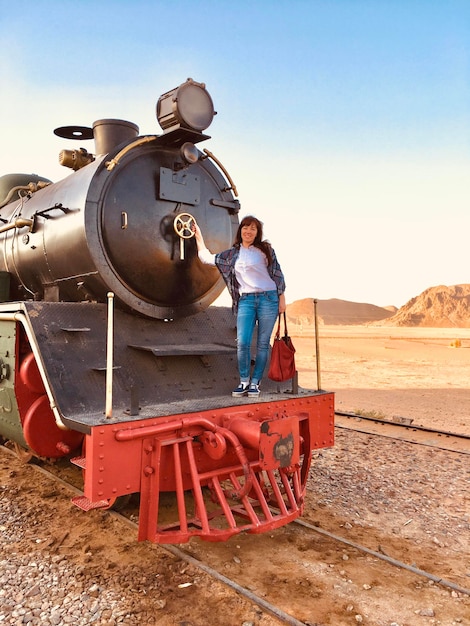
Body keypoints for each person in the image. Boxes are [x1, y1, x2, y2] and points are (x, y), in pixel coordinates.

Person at [193, 215, 286, 398]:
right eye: (245, 227)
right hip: (246, 301)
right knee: (242, 342)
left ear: (257, 232)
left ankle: (255, 383)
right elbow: (206, 258)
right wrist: (198, 236)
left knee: (262, 344)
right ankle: (243, 381)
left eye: (253, 228)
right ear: (240, 230)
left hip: (269, 299)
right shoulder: (232, 254)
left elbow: (277, 275)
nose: (248, 231)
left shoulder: (265, 250)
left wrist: (282, 298)